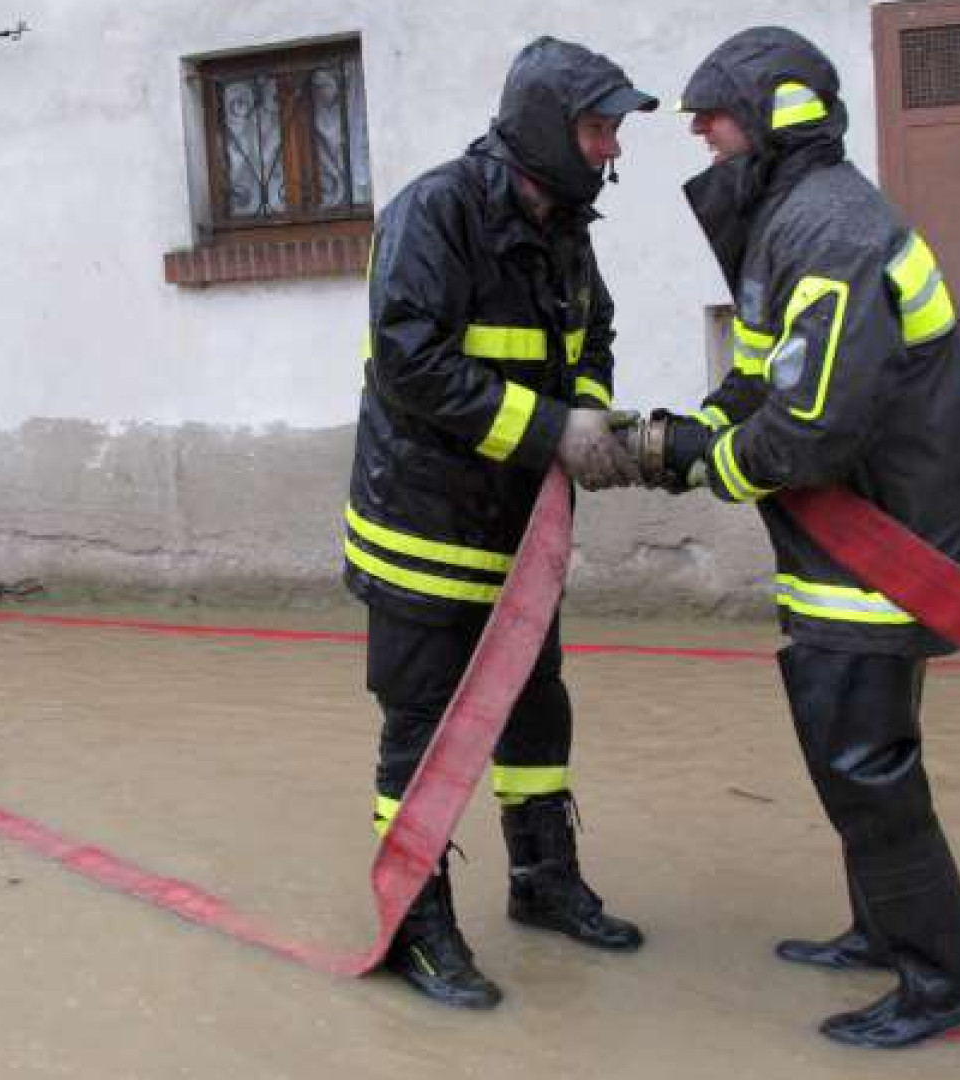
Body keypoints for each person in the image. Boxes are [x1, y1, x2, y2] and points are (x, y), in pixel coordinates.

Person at [655, 26, 960, 1048]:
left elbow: (811, 426)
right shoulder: (787, 221)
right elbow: (768, 374)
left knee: (864, 760)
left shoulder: (831, 233)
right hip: (862, 519)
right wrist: (701, 425)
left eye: (713, 114)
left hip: (888, 533)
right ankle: (880, 932)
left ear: (772, 116)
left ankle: (943, 990)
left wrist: (710, 467)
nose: (699, 131)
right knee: (856, 745)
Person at [341, 36, 655, 1010]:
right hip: (426, 528)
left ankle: (543, 880)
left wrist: (591, 417)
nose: (610, 149)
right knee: (424, 732)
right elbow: (412, 364)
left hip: (521, 529)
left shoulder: (565, 224)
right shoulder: (436, 212)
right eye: (598, 127)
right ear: (545, 129)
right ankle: (413, 920)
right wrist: (554, 430)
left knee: (534, 705)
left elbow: (589, 332)